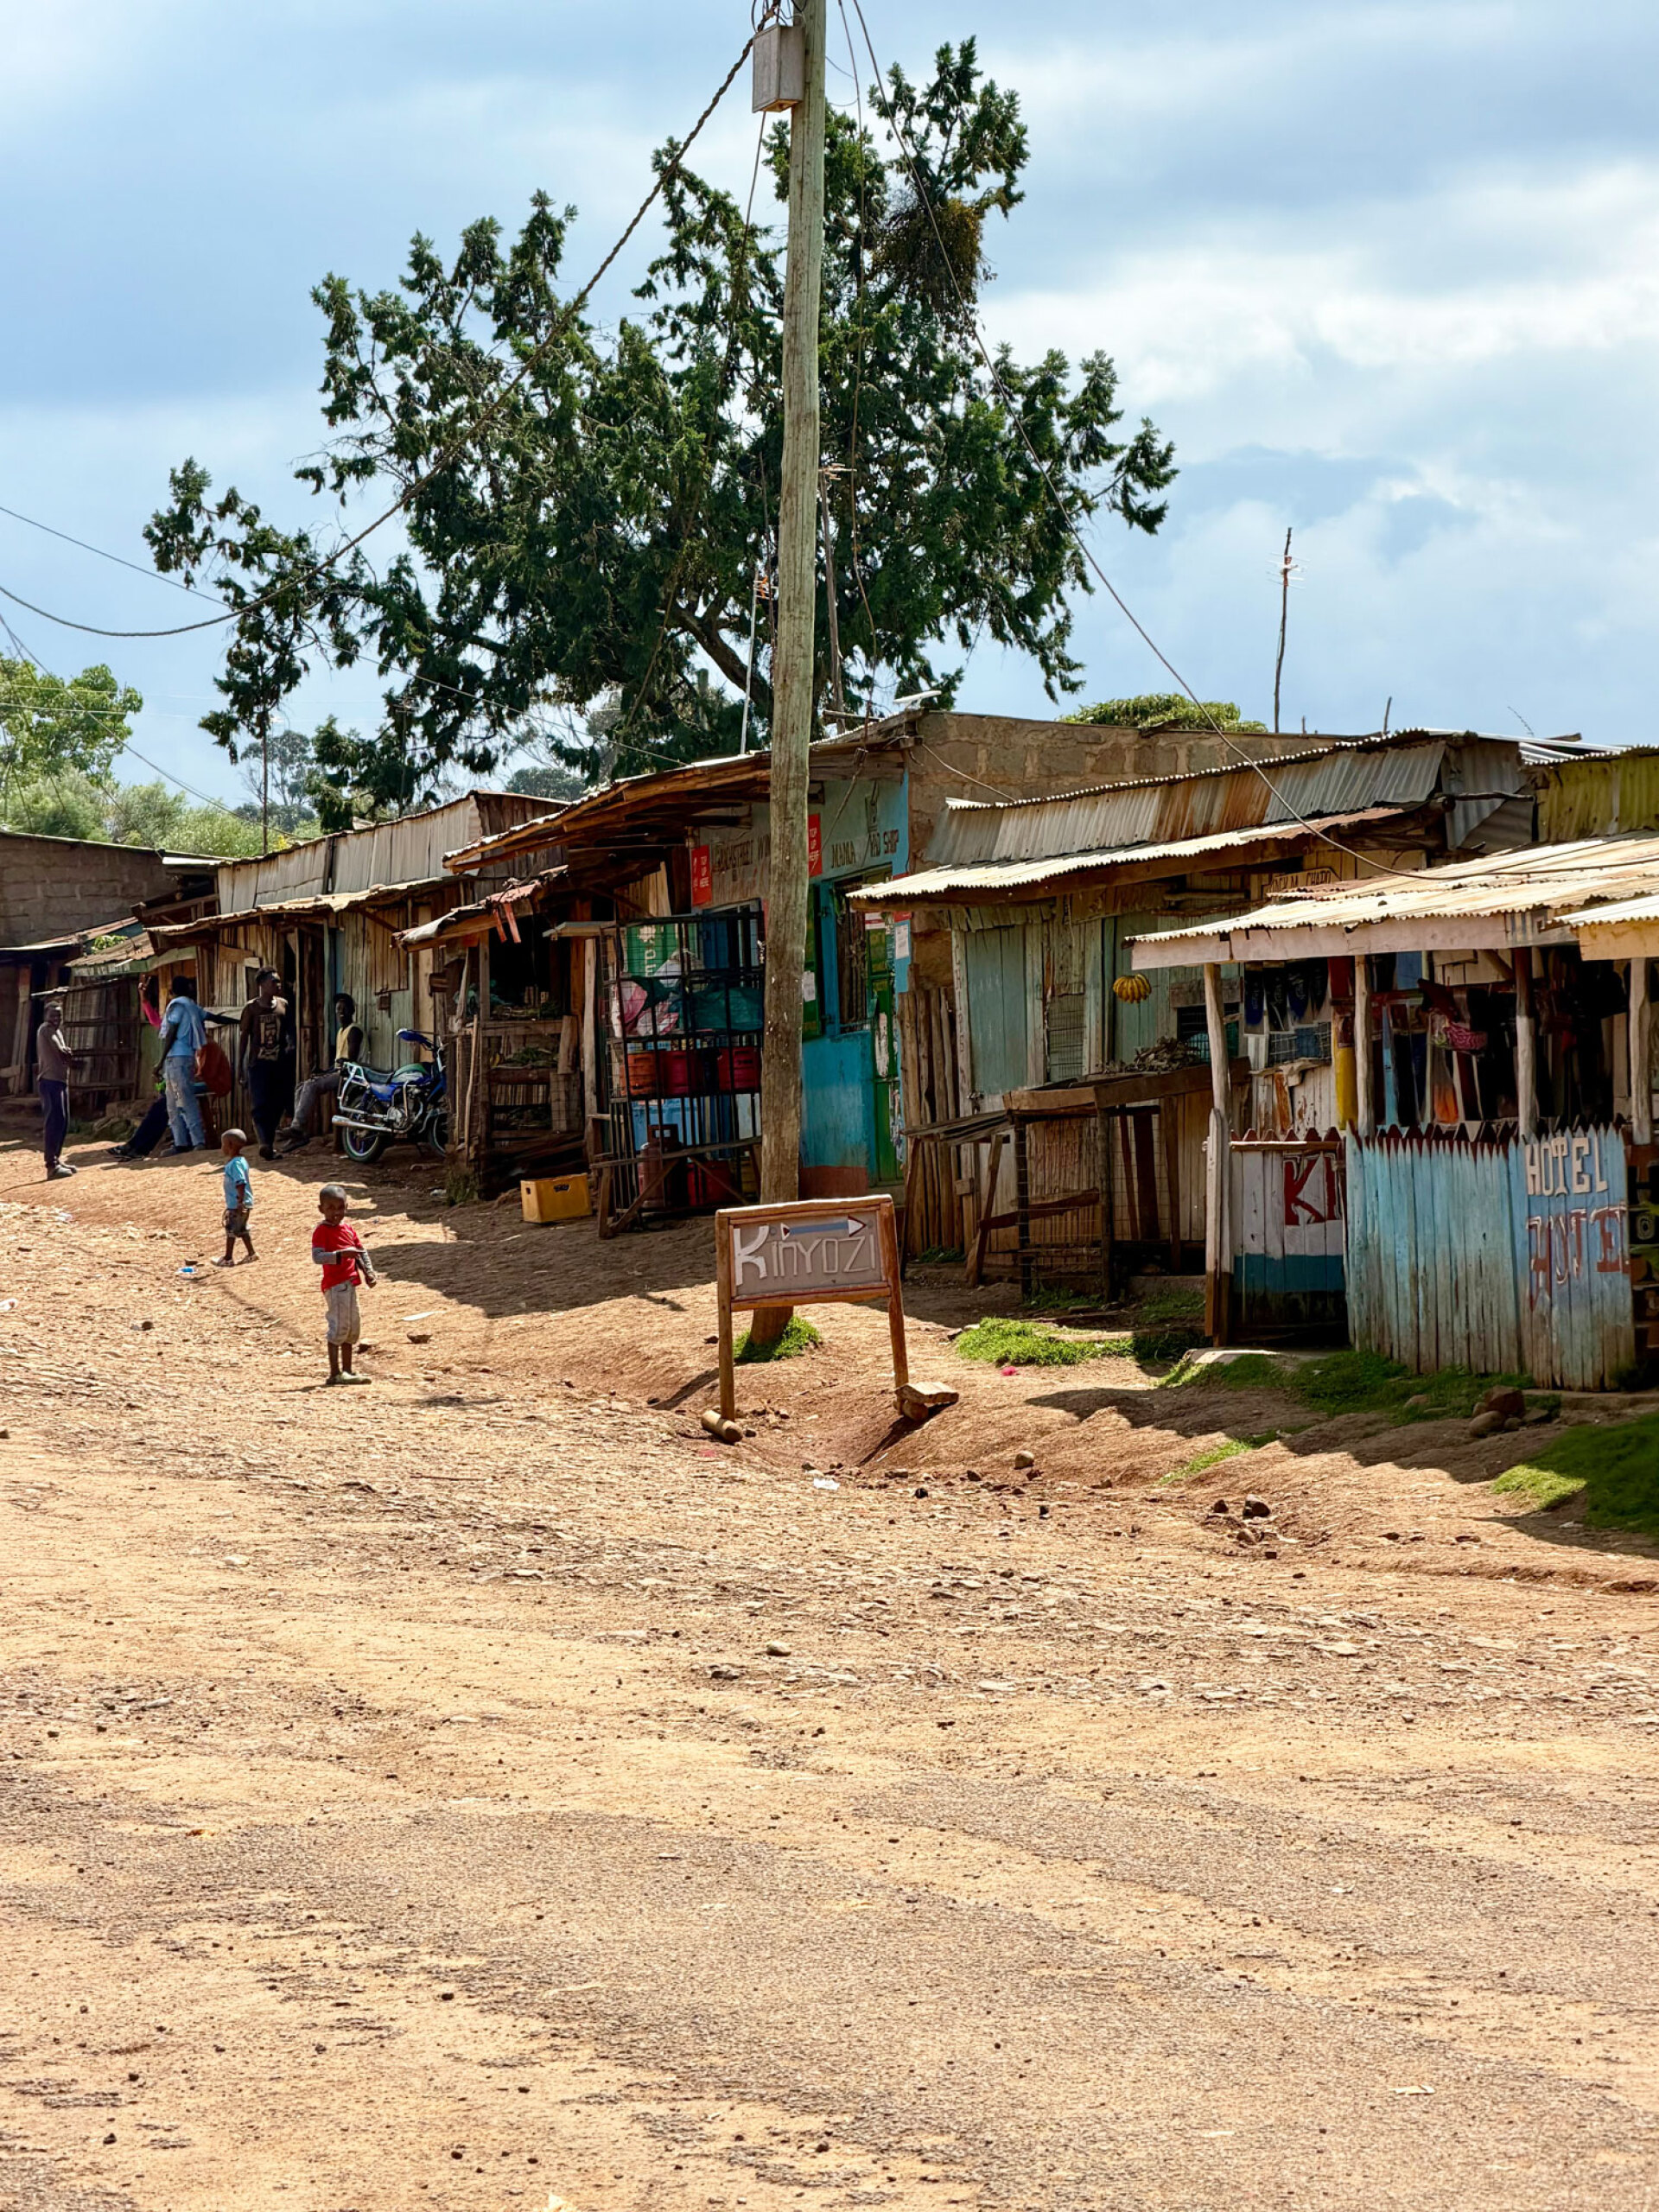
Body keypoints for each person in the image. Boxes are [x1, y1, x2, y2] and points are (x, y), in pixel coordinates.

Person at [283, 993, 365, 1152]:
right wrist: (323, 1071)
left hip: (352, 1075)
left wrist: (328, 1072)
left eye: (344, 1008)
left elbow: (350, 1061)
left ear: (352, 1010)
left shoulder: (354, 1031)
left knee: (311, 1086)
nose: (340, 1012)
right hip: (341, 1073)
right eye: (338, 1009)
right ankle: (298, 1131)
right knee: (301, 1086)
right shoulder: (342, 1031)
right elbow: (339, 1063)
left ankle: (298, 1128)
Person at [311, 1182, 377, 1383]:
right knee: (338, 1327)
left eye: (340, 1208)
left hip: (350, 1284)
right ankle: (335, 1373)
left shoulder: (348, 1229)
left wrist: (369, 1272)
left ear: (346, 1207)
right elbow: (318, 1257)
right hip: (335, 1285)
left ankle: (348, 1370)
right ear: (321, 1209)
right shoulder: (321, 1231)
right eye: (330, 1208)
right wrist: (340, 1255)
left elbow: (360, 1252)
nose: (336, 1213)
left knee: (351, 1328)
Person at [238, 968, 296, 1160]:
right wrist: (240, 1067)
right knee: (260, 1105)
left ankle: (269, 1146)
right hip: (259, 1064)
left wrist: (290, 1048)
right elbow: (244, 1038)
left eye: (278, 982)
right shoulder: (251, 1009)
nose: (278, 985)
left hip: (278, 1065)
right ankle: (264, 1143)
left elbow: (290, 1032)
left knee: (277, 1104)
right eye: (274, 982)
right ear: (261, 984)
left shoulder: (284, 1005)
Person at [158, 977, 208, 1152]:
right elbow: (210, 1016)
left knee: (182, 1101)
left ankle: (197, 1141)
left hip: (177, 1060)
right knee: (174, 1102)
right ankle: (182, 1143)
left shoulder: (177, 1006)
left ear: (173, 990)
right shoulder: (192, 1006)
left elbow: (171, 1033)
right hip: (180, 1060)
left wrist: (159, 1062)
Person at [35, 1000, 79, 1180]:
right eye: (53, 1015)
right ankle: (51, 1165)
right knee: (53, 1122)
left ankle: (57, 1159)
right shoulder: (45, 1029)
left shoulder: (57, 1031)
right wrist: (65, 1052)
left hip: (60, 1081)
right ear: (46, 1017)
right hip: (49, 1081)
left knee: (62, 1121)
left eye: (59, 1016)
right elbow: (61, 1051)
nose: (56, 1019)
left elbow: (65, 1056)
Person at [215, 1128, 256, 1267]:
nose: (222, 1148)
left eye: (223, 1144)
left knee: (231, 1230)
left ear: (230, 1145)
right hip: (242, 1202)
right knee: (242, 1229)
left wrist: (240, 1201)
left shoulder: (235, 1164)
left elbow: (240, 1182)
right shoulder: (240, 1160)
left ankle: (228, 1258)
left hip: (237, 1204)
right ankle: (252, 1254)